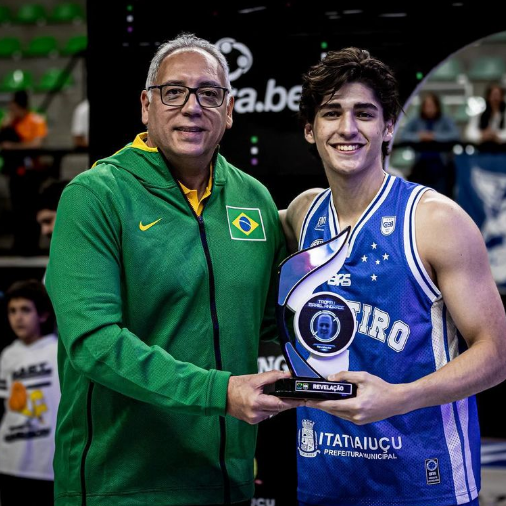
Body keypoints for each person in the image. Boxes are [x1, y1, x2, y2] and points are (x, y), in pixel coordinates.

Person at [45, 33, 300, 506]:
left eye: (209, 94)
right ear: (146, 105)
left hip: (229, 485)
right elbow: (93, 343)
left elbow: (272, 324)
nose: (191, 107)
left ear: (228, 110)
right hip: (122, 488)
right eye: (174, 92)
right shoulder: (95, 195)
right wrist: (218, 392)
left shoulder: (254, 199)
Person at [280, 47, 506, 506]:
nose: (347, 128)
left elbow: (498, 354)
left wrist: (398, 397)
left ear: (388, 127)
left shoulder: (435, 220)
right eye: (331, 114)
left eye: (365, 114)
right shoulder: (302, 216)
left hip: (426, 482)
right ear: (310, 129)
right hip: (325, 478)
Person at [0, 279, 59, 506]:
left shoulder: (57, 351)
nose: (18, 317)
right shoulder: (8, 355)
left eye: (25, 310)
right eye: (12, 311)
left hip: (47, 464)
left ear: (43, 315)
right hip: (9, 460)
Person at [0, 90, 49, 254]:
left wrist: (13, 147)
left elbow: (36, 145)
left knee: (31, 210)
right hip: (15, 174)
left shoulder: (36, 120)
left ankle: (32, 245)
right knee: (17, 210)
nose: (11, 109)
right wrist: (7, 123)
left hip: (32, 174)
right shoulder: (11, 123)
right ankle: (18, 244)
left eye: (13, 106)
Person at [400, 92, 460, 196]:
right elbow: (403, 135)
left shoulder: (445, 120)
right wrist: (419, 136)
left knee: (441, 196)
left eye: (431, 105)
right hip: (420, 165)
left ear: (437, 107)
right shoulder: (416, 120)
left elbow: (455, 135)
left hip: (440, 165)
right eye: (427, 106)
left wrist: (434, 136)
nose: (429, 109)